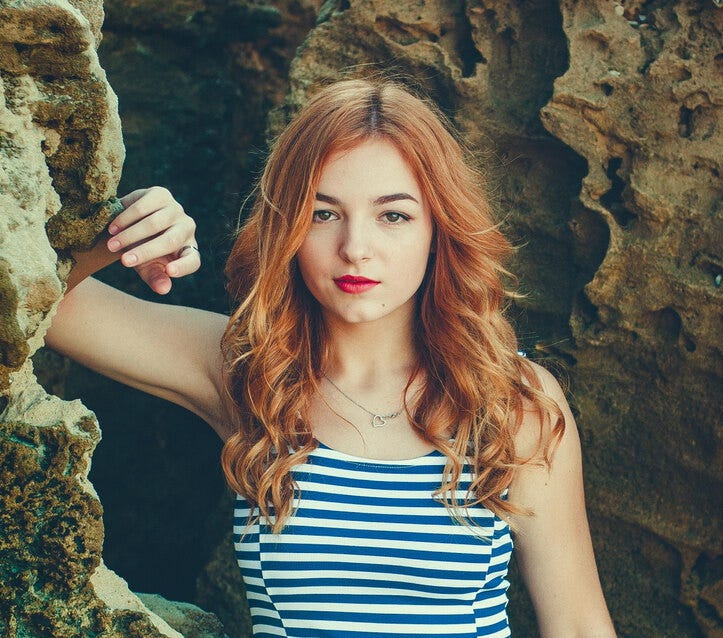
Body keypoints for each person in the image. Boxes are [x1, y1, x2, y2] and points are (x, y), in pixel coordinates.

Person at [46, 78, 616, 637]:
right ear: (287, 227)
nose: (355, 247)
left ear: (438, 228)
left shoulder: (512, 402)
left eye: (393, 215)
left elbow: (578, 623)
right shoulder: (248, 374)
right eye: (323, 213)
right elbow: (36, 305)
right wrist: (119, 233)